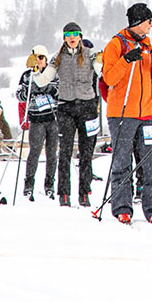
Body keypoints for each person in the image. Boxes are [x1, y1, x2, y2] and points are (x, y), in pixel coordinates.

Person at [101, 3, 152, 225]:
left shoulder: (148, 46)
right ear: (138, 22)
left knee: (151, 162)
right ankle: (122, 207)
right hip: (122, 113)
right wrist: (127, 59)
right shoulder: (115, 44)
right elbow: (109, 78)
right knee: (122, 162)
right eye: (149, 21)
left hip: (147, 112)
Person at [53, 23, 99, 207]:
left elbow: (102, 72)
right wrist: (36, 69)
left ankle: (84, 192)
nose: (71, 37)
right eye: (68, 34)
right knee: (65, 152)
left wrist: (103, 61)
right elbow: (43, 80)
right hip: (65, 106)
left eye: (75, 34)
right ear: (64, 38)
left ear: (80, 36)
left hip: (87, 106)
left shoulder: (89, 54)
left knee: (86, 152)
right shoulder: (57, 58)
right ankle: (64, 193)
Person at [16, 45, 59, 200]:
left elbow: (59, 92)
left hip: (52, 118)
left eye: (41, 58)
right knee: (34, 152)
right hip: (36, 118)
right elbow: (20, 96)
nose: (39, 61)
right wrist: (31, 87)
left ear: (46, 59)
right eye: (35, 58)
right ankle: (29, 185)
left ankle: (49, 185)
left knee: (52, 153)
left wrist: (48, 88)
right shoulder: (27, 75)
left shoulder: (53, 74)